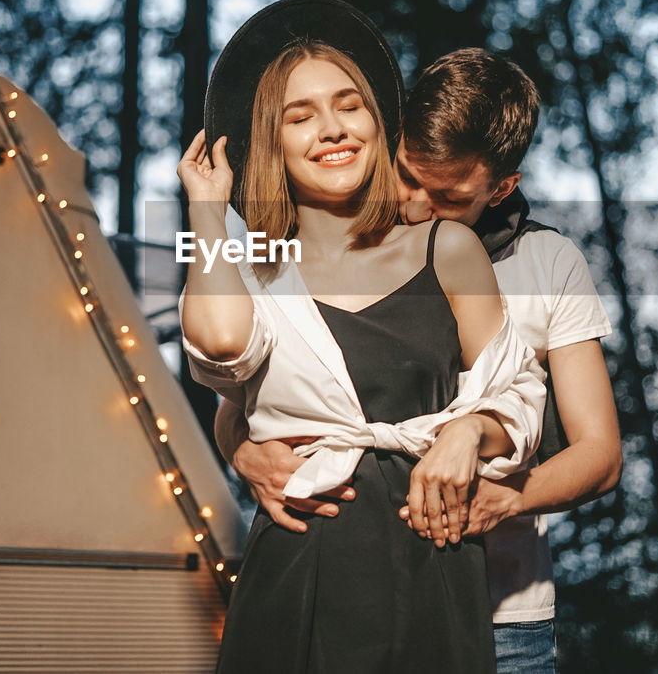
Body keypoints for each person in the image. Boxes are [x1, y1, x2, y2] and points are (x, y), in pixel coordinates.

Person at [216, 47, 622, 673]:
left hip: (503, 611)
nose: (417, 204)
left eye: (450, 196)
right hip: (360, 595)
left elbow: (600, 454)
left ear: (502, 186)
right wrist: (245, 455)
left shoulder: (548, 263)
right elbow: (245, 402)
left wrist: (507, 496)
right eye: (408, 174)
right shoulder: (320, 250)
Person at [178, 0, 546, 673]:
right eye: (301, 115)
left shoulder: (448, 248)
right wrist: (207, 213)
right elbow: (223, 349)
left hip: (431, 563)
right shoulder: (251, 271)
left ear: (379, 123)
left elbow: (518, 392)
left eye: (348, 104)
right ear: (274, 143)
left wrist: (466, 432)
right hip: (299, 569)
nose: (331, 128)